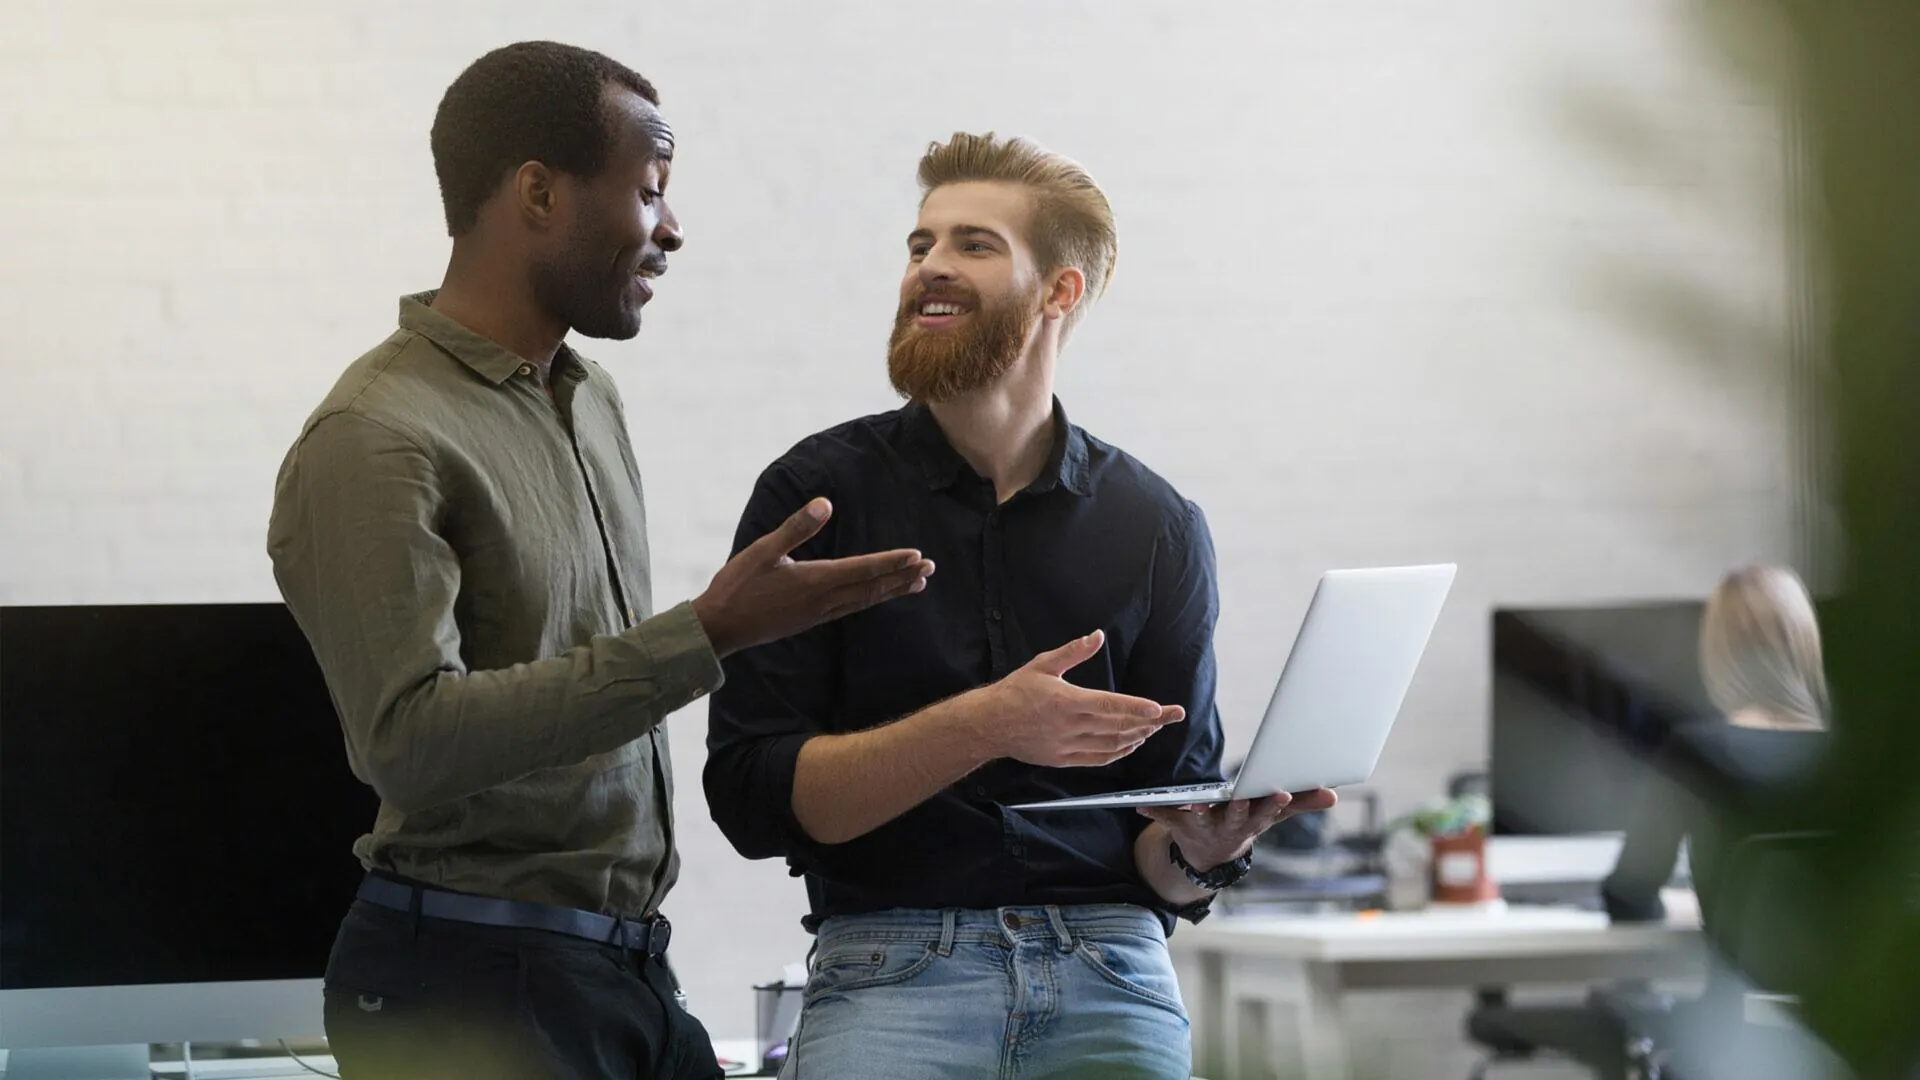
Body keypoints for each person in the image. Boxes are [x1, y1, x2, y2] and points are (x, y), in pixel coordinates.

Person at [266, 41, 933, 1080]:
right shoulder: (376, 434)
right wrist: (708, 633)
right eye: (649, 190)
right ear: (536, 191)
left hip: (618, 974)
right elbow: (407, 741)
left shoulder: (587, 398)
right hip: (466, 985)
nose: (671, 230)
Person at [704, 132, 1335, 1080]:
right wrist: (989, 724)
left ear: (1060, 292)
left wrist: (1204, 850)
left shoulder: (1157, 525)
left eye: (974, 245)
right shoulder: (818, 496)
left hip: (1111, 964)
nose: (932, 269)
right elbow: (751, 799)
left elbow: (1163, 850)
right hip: (892, 970)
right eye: (921, 246)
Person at [1602, 563, 1831, 928]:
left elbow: (1625, 899)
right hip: (1843, 984)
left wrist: (1694, 912)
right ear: (1805, 646)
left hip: (1733, 985)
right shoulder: (1862, 760)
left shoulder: (1696, 750)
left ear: (1718, 654)